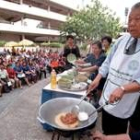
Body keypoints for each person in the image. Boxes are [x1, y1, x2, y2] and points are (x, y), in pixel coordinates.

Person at [88, 2, 140, 135]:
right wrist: (98, 78)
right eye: (130, 19)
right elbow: (107, 62)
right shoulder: (122, 40)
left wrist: (123, 89)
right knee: (106, 129)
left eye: (137, 19)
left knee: (117, 132)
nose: (132, 23)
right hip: (108, 94)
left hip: (125, 99)